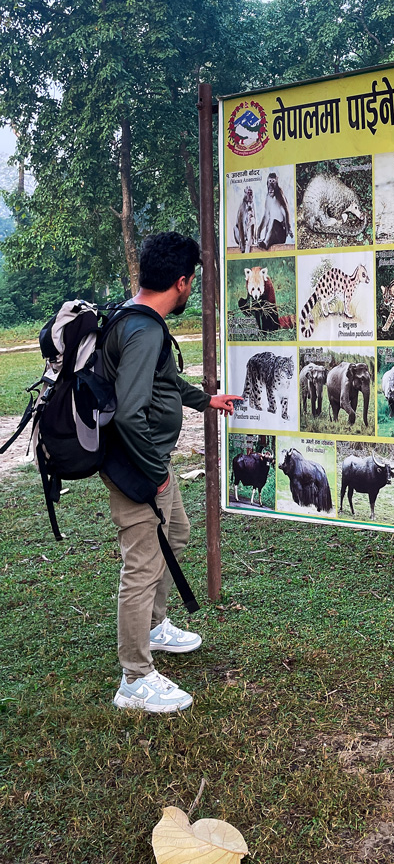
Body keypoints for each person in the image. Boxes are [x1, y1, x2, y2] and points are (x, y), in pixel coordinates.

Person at [101, 233, 237, 713]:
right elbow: (128, 412)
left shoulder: (134, 317)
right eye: (192, 283)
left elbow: (160, 380)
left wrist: (206, 400)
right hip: (138, 468)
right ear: (181, 282)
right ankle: (134, 679)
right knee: (140, 566)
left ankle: (155, 628)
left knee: (174, 534)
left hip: (147, 463)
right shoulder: (145, 331)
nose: (190, 290)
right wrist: (155, 473)